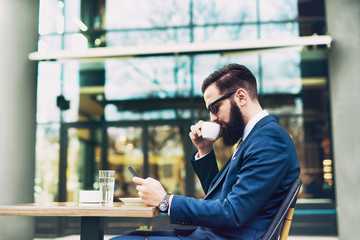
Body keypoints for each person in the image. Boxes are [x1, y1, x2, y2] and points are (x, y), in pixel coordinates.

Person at [111, 63, 300, 240]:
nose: (212, 118)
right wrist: (205, 149)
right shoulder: (254, 138)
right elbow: (220, 199)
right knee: (131, 235)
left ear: (241, 97)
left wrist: (166, 201)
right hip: (211, 234)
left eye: (214, 108)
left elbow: (232, 213)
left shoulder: (269, 140)